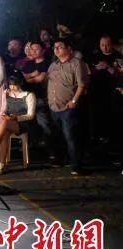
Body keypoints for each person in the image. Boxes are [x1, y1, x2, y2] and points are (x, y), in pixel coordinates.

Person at [47, 38, 88, 175]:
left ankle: (76, 165)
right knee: (58, 136)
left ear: (69, 49)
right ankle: (62, 159)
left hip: (68, 107)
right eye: (55, 47)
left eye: (60, 47)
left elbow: (82, 85)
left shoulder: (77, 63)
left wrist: (74, 101)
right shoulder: (53, 65)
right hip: (54, 106)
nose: (56, 49)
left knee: (71, 137)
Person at [0, 75, 35, 174]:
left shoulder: (29, 95)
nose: (12, 87)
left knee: (5, 123)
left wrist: (16, 118)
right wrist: (4, 115)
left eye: (14, 85)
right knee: (4, 133)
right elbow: (3, 110)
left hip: (23, 123)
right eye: (10, 85)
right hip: (9, 122)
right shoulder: (6, 93)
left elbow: (30, 115)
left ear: (20, 84)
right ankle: (1, 165)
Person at [21, 41, 55, 163]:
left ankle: (52, 153)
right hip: (28, 99)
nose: (33, 51)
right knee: (30, 125)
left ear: (43, 50)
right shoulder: (29, 63)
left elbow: (40, 79)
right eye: (32, 49)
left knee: (45, 125)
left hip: (42, 98)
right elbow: (22, 78)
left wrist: (30, 77)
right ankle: (34, 152)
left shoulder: (47, 63)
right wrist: (32, 75)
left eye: (36, 49)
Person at [87, 35, 121, 146]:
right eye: (102, 45)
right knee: (96, 115)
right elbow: (87, 72)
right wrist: (96, 68)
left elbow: (119, 75)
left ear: (112, 45)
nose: (105, 47)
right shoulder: (94, 56)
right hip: (96, 91)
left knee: (111, 115)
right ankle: (97, 137)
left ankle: (112, 139)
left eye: (107, 45)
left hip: (111, 92)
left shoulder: (118, 56)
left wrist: (108, 67)